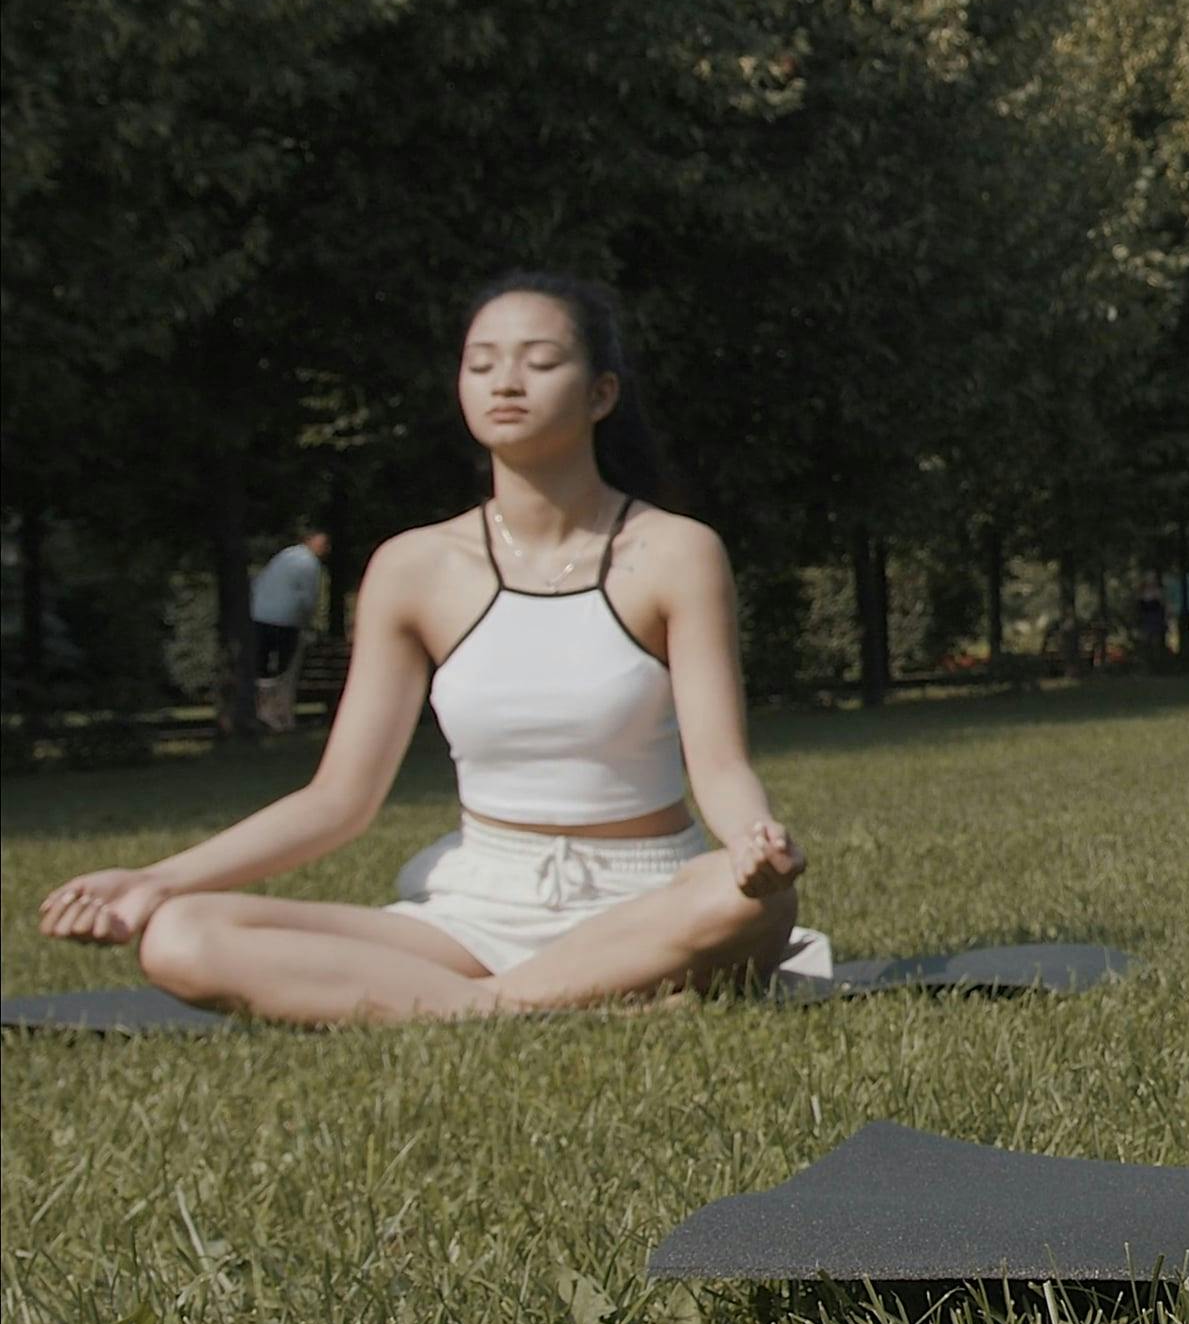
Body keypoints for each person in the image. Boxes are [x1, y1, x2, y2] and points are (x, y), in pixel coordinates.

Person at [35, 275, 816, 1022]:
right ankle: (533, 1003)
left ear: (601, 393)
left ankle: (484, 1003)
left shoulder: (677, 551)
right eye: (481, 363)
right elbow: (339, 799)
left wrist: (754, 840)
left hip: (645, 901)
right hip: (474, 913)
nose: (505, 381)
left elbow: (720, 765)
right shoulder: (413, 566)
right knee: (181, 935)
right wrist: (155, 880)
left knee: (749, 901)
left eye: (540, 361)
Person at [248, 528, 331, 733]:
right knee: (285, 670)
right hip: (285, 620)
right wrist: (308, 622)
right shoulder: (309, 563)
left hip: (260, 615)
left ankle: (267, 711)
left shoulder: (285, 555)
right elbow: (308, 598)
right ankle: (279, 713)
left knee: (264, 668)